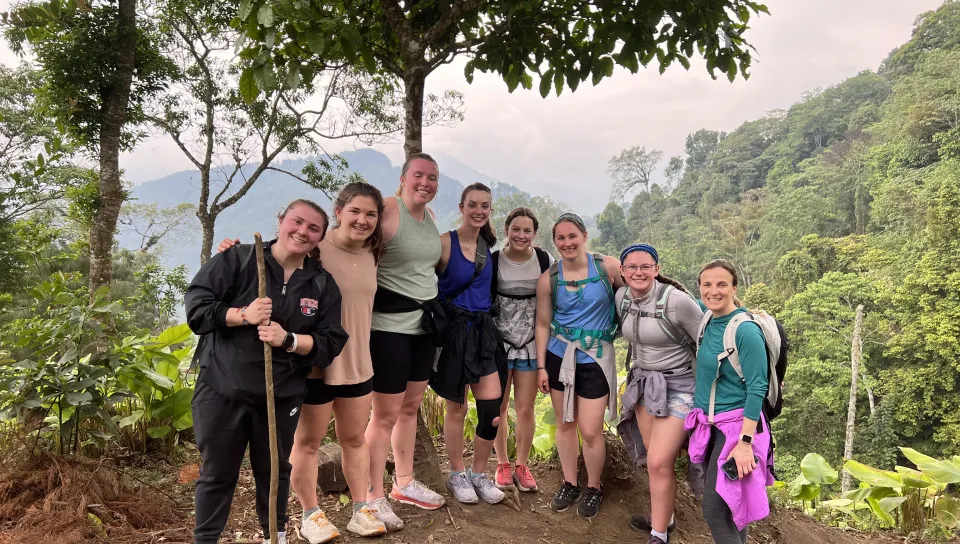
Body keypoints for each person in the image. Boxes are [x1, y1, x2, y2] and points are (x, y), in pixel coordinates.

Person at [217, 183, 389, 543]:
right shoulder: (316, 245)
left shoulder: (374, 252)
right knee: (308, 442)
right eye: (355, 211)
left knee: (354, 438)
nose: (362, 220)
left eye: (371, 214)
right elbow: (274, 255)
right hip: (312, 359)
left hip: (356, 359)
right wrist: (234, 252)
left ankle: (361, 509)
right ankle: (311, 514)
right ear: (339, 212)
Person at [185, 199, 349, 544]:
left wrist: (288, 340)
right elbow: (198, 309)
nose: (302, 231)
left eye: (313, 228)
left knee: (274, 471)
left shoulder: (321, 284)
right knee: (217, 473)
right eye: (297, 222)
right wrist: (243, 315)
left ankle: (275, 536)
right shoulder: (238, 259)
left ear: (320, 238)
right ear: (281, 220)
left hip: (282, 394)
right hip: (221, 388)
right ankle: (205, 540)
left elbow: (330, 342)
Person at [366, 153, 446, 528]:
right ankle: (371, 495)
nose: (425, 183)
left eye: (432, 177)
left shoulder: (429, 217)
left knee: (410, 407)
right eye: (418, 175)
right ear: (403, 178)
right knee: (384, 414)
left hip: (422, 327)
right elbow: (345, 242)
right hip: (388, 328)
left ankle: (404, 483)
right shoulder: (386, 210)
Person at [535, 213, 624, 520]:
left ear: (585, 236)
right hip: (559, 355)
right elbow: (543, 323)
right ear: (555, 242)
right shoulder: (549, 279)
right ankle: (570, 483)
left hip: (596, 357)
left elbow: (634, 297)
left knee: (590, 429)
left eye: (572, 236)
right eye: (561, 238)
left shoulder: (608, 268)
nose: (567, 242)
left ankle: (594, 486)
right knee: (564, 424)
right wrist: (541, 367)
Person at [614, 244, 703, 544]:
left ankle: (659, 534)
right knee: (654, 460)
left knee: (658, 461)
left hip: (681, 386)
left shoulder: (677, 302)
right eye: (631, 267)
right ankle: (666, 517)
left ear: (657, 269)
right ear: (622, 271)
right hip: (644, 384)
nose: (638, 272)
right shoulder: (622, 298)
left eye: (645, 266)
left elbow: (708, 342)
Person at [430, 183, 507, 505]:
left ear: (490, 210)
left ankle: (478, 473)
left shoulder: (488, 248)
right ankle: (457, 473)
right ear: (461, 207)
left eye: (484, 206)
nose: (478, 211)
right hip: (454, 333)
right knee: (457, 408)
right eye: (472, 205)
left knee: (491, 411)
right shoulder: (444, 243)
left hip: (483, 333)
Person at [686, 259, 773, 544]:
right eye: (707, 285)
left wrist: (745, 444)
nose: (714, 291)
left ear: (734, 288)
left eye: (722, 284)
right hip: (711, 426)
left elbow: (757, 387)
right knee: (734, 512)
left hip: (737, 430)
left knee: (715, 512)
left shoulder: (745, 330)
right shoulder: (708, 319)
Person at [491, 207, 553, 492]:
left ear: (535, 233)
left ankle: (522, 465)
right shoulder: (494, 261)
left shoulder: (544, 260)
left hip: (531, 346)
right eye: (516, 229)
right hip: (499, 346)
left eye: (527, 230)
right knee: (499, 406)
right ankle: (502, 463)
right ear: (506, 230)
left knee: (525, 408)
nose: (521, 235)